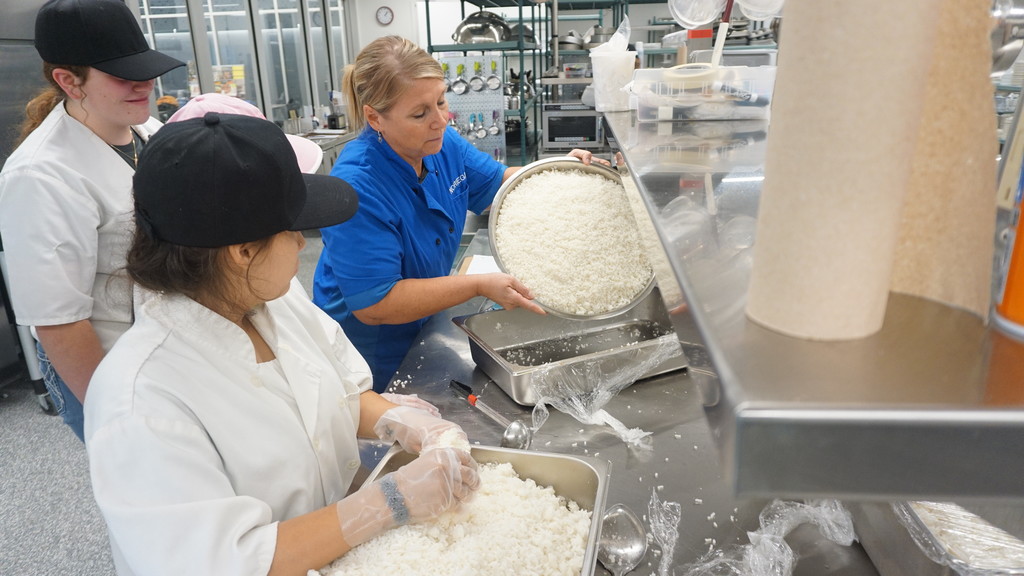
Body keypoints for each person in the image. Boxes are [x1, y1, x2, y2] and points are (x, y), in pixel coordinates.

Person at [85, 112, 480, 575]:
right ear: (243, 252)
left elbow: (342, 394)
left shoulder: (273, 298)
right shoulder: (141, 403)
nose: (301, 243)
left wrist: (404, 423)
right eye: (292, 231)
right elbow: (228, 561)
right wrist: (388, 501)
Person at [313, 35, 610, 392]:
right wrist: (478, 284)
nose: (440, 120)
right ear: (375, 117)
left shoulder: (440, 142)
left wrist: (560, 169)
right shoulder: (358, 185)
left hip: (423, 323)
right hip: (371, 354)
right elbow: (376, 304)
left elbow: (500, 182)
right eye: (420, 113)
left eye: (441, 102)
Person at [0, 0, 184, 440]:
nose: (145, 84)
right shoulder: (40, 176)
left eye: (146, 69)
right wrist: (116, 415)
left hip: (171, 348)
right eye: (124, 76)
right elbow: (59, 323)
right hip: (107, 361)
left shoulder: (147, 132)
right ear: (69, 80)